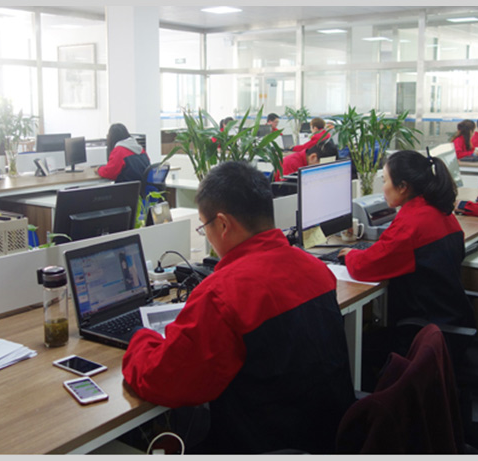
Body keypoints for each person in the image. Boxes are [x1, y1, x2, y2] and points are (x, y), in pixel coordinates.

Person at [123, 161, 356, 454]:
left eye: (204, 226)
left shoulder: (221, 295)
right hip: (331, 438)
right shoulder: (316, 269)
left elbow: (163, 381)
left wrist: (140, 338)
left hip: (261, 445)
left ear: (222, 224)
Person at [338, 150, 474, 389]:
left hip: (423, 334)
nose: (383, 188)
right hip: (449, 324)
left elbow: (364, 268)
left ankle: (379, 406)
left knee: (351, 346)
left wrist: (350, 254)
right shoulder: (440, 211)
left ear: (403, 187)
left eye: (385, 181)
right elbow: (391, 251)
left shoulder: (411, 224)